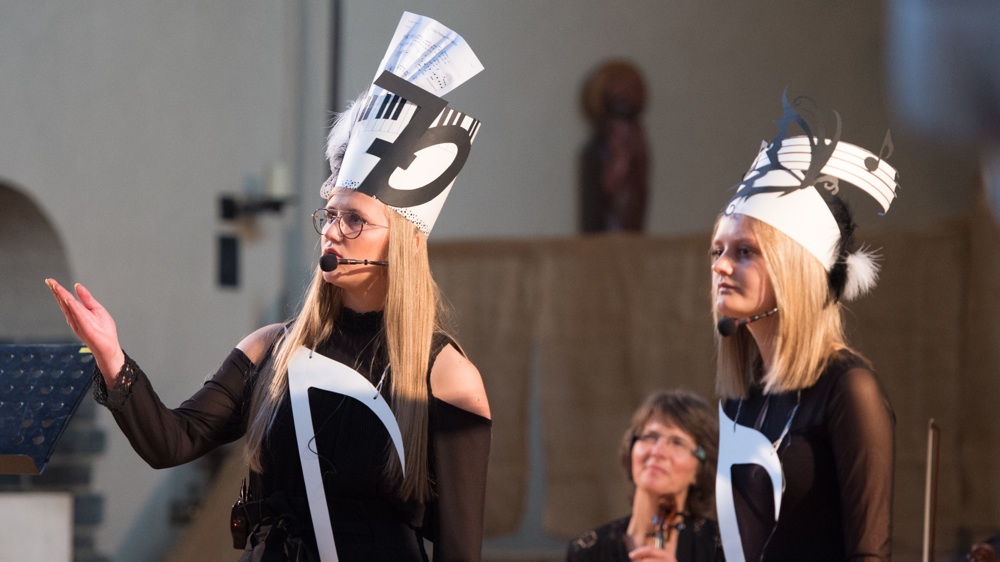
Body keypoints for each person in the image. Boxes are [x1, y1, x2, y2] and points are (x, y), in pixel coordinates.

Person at [45, 14, 490, 561]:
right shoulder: (270, 350)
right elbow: (172, 441)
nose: (332, 231)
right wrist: (112, 357)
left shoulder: (446, 375)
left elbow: (460, 551)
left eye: (354, 220)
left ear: (402, 244)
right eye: (330, 215)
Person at [710, 93, 898, 561]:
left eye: (745, 251)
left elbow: (868, 554)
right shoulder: (741, 396)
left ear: (795, 267)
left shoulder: (848, 389)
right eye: (717, 250)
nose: (722, 267)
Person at [566, 389, 722, 562]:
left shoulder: (719, 547)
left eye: (677, 442)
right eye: (650, 436)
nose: (657, 451)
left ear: (700, 468)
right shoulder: (588, 550)